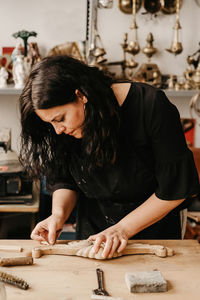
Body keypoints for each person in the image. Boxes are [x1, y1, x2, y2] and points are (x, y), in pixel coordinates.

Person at [19, 55, 199, 259]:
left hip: (155, 232)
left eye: (60, 119)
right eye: (50, 123)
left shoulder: (150, 106)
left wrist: (122, 229)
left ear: (81, 95)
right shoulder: (67, 128)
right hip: (94, 234)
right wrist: (58, 215)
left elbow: (174, 189)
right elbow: (65, 179)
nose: (57, 130)